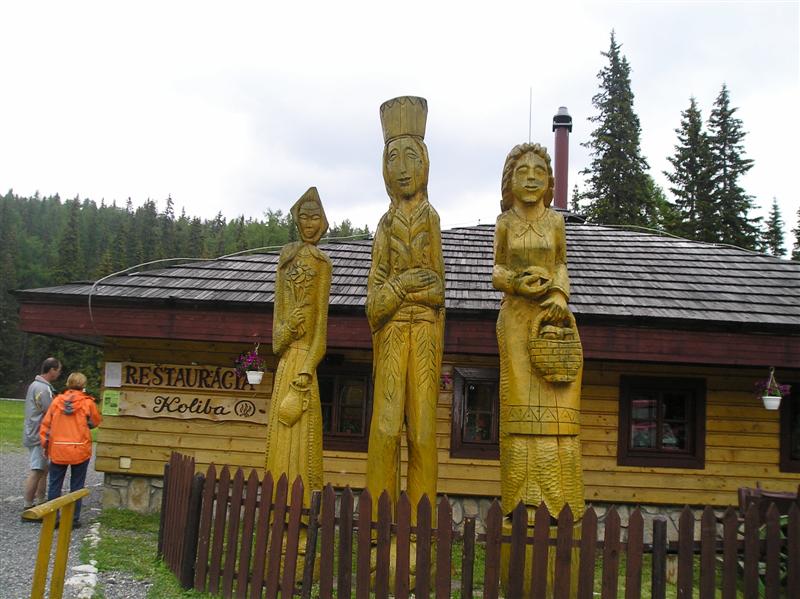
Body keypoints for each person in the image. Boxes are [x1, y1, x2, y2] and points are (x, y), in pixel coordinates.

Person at [493, 142, 585, 519]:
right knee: (518, 405)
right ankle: (521, 497)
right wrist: (516, 282)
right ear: (509, 181)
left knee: (558, 405)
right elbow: (497, 271)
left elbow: (561, 264)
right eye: (522, 171)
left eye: (539, 171)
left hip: (551, 320)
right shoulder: (505, 222)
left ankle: (561, 499)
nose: (531, 178)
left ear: (549, 181)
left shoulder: (556, 222)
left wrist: (560, 294)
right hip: (515, 320)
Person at [366, 96, 445, 520]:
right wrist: (404, 285)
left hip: (426, 334)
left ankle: (420, 527)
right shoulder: (384, 225)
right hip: (394, 334)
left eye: (410, 157)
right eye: (393, 158)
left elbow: (438, 291)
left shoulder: (432, 219)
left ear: (425, 163)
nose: (402, 168)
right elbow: (374, 304)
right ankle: (377, 525)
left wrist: (407, 289)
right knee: (384, 429)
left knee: (423, 433)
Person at [264, 187, 331, 509]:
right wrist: (290, 326)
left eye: (315, 217)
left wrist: (306, 370)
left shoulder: (322, 264)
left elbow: (321, 335)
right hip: (286, 363)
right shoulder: (286, 258)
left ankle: (301, 509)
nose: (309, 223)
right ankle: (276, 509)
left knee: (305, 440)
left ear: (323, 222)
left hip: (304, 368)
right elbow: (277, 341)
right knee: (280, 435)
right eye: (304, 217)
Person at [40, 372, 102, 528]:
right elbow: (95, 421)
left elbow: (46, 425)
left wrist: (45, 446)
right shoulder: (88, 403)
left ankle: (53, 518)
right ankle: (72, 520)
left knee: (55, 485)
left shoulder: (56, 401)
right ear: (83, 385)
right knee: (76, 486)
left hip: (58, 448)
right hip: (79, 449)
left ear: (68, 383)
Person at [22, 357, 62, 515]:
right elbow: (51, 410)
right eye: (58, 370)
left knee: (44, 469)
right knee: (37, 469)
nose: (59, 373)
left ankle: (40, 500)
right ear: (51, 370)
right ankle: (28, 505)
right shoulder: (42, 388)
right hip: (39, 434)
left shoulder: (37, 385)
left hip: (36, 432)